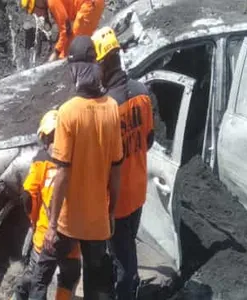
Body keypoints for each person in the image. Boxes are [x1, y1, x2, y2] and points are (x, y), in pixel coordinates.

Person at [28, 35, 124, 300]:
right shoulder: (112, 110)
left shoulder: (68, 112)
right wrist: (111, 212)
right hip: (96, 223)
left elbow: (62, 174)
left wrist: (52, 225)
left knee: (40, 278)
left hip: (67, 222)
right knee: (97, 287)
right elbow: (116, 170)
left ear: (74, 70)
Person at [92, 27, 155, 300]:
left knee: (124, 266)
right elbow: (149, 140)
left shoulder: (106, 108)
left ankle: (126, 293)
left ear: (103, 63)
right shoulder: (143, 93)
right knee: (126, 250)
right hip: (139, 192)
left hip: (115, 204)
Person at [12, 110, 81, 300]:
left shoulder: (41, 160)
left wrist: (34, 221)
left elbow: (28, 195)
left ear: (45, 136)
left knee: (35, 280)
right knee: (69, 277)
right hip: (72, 235)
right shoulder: (78, 159)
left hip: (45, 236)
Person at [20, 0, 105, 62]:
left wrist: (56, 53)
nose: (38, 15)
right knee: (67, 53)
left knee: (76, 47)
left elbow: (65, 30)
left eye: (35, 11)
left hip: (89, 4)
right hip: (90, 5)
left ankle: (94, 70)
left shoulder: (52, 2)